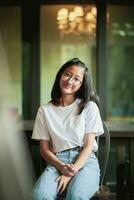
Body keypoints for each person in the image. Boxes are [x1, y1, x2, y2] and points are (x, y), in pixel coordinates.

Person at [31, 58, 104, 200]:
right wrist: (62, 167)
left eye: (77, 79)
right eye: (67, 74)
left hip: (85, 161)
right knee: (39, 195)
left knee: (75, 195)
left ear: (82, 85)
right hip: (57, 162)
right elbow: (44, 150)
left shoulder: (89, 107)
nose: (70, 81)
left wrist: (69, 173)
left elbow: (89, 146)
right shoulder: (45, 110)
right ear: (60, 75)